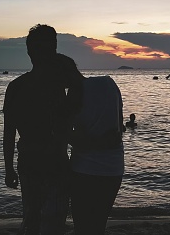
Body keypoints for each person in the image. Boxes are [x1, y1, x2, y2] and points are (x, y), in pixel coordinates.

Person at [3, 25, 69, 235]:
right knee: (40, 219)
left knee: (42, 220)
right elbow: (9, 132)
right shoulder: (56, 85)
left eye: (47, 48)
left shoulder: (59, 85)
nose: (43, 54)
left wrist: (9, 168)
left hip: (48, 162)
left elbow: (9, 133)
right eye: (40, 48)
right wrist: (8, 168)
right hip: (37, 162)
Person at [54, 53, 124, 235]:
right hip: (114, 167)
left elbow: (65, 136)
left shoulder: (70, 99)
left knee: (82, 226)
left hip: (83, 168)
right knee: (98, 224)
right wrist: (103, 142)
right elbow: (118, 130)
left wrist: (88, 142)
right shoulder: (108, 83)